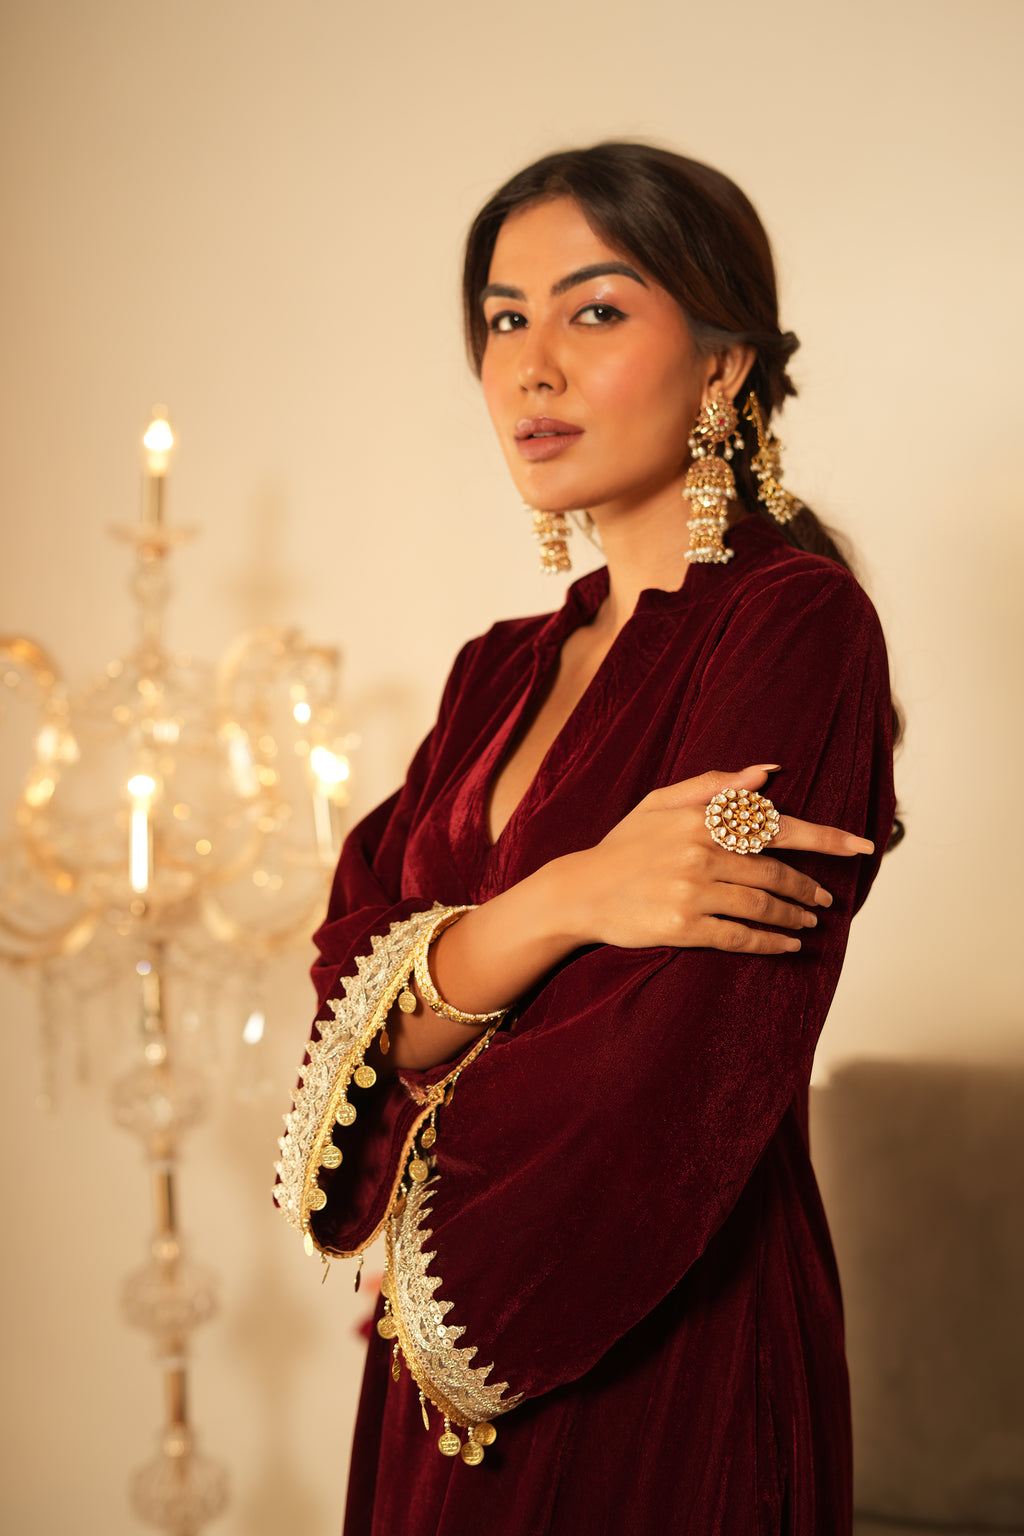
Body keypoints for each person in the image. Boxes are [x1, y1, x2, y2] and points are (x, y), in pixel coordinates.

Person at [275, 142, 899, 1536]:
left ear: (724, 363)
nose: (530, 367)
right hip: (440, 1366)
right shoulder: (493, 673)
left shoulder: (795, 629)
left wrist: (437, 1040)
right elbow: (341, 980)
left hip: (662, 1329)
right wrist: (566, 898)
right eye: (504, 319)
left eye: (595, 310)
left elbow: (676, 1047)